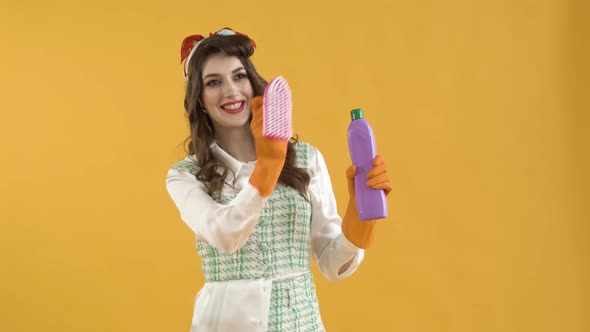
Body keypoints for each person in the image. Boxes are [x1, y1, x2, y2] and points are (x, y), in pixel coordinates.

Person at [165, 27, 392, 332]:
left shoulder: (305, 159)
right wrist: (268, 166)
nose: (231, 91)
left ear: (253, 83)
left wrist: (360, 215)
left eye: (239, 76)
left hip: (301, 322)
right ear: (200, 99)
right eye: (214, 82)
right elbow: (224, 234)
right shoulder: (185, 176)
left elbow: (331, 264)